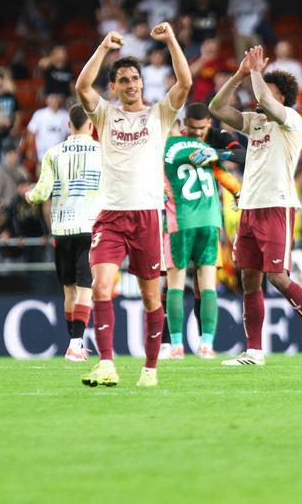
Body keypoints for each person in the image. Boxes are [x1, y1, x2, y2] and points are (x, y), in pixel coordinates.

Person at [74, 21, 191, 388]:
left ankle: (150, 369)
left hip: (146, 217)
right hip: (110, 216)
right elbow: (81, 86)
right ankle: (106, 363)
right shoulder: (105, 114)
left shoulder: (159, 114)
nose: (130, 85)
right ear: (113, 87)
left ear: (142, 83)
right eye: (123, 80)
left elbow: (185, 83)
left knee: (150, 296)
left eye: (134, 79)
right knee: (101, 287)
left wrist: (171, 40)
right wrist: (103, 48)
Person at [210, 46, 302, 366]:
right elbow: (216, 106)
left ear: (280, 98)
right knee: (249, 279)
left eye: (268, 91)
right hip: (249, 209)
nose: (259, 97)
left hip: (277, 207)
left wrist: (255, 73)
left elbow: (264, 100)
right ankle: (254, 351)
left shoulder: (291, 120)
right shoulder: (255, 122)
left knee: (277, 276)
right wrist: (240, 75)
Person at [26, 105, 103, 361]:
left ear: (68, 125)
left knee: (69, 289)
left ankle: (73, 343)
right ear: (91, 126)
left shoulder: (53, 153)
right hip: (89, 228)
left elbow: (41, 193)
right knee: (84, 288)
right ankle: (76, 343)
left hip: (61, 230)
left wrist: (28, 195)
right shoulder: (103, 153)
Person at [161, 103, 232, 360]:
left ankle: (177, 346)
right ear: (182, 126)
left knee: (176, 284)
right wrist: (238, 194)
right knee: (208, 285)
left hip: (180, 220)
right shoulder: (204, 148)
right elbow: (228, 179)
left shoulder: (161, 149)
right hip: (210, 220)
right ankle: (207, 346)